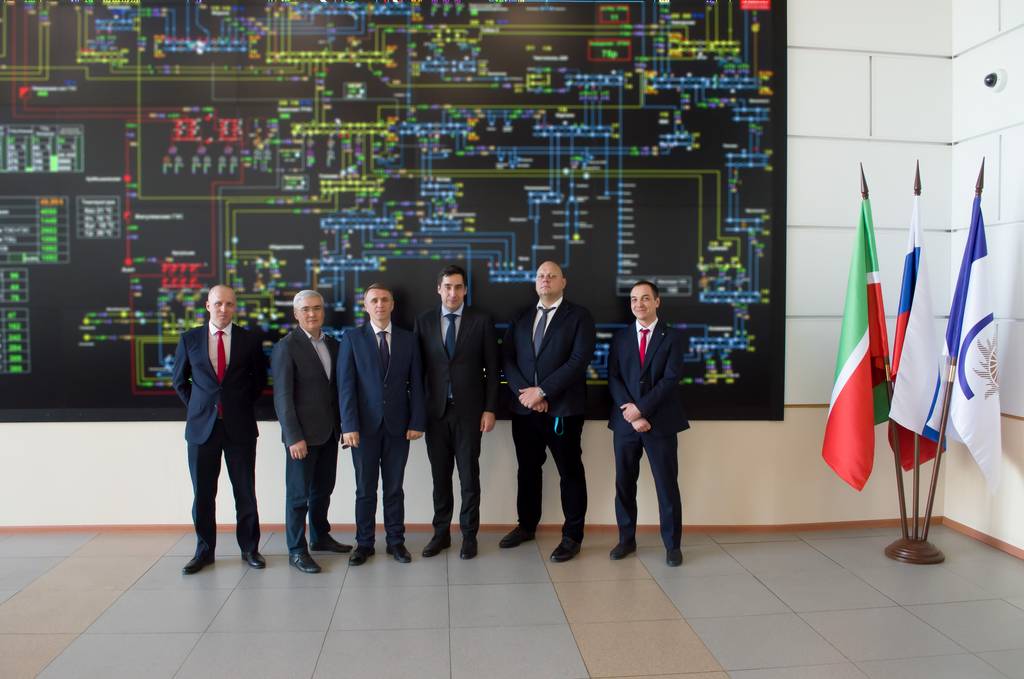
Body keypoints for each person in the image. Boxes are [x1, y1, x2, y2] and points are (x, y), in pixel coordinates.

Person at [500, 261, 596, 562]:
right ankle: (527, 526)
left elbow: (578, 361)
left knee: (570, 472)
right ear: (535, 282)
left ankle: (572, 536)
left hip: (563, 411)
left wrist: (542, 392)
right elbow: (507, 359)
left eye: (552, 276)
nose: (546, 280)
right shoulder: (520, 315)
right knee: (527, 470)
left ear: (563, 282)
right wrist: (527, 395)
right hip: (524, 411)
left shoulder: (579, 316)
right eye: (541, 276)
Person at [172, 284, 267, 575]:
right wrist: (201, 406)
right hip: (202, 430)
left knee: (245, 492)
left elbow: (259, 381)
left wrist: (237, 404)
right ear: (207, 306)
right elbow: (179, 381)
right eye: (218, 304)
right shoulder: (190, 339)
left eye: (229, 304)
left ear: (235, 307)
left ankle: (250, 549)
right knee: (203, 494)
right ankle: (204, 552)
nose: (223, 309)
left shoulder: (249, 339)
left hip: (240, 427)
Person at [414, 265, 499, 560]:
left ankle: (469, 536)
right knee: (440, 478)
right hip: (435, 413)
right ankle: (441, 534)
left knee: (469, 477)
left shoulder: (481, 320)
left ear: (465, 290)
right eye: (448, 286)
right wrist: (417, 414)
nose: (453, 292)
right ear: (439, 289)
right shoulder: (423, 321)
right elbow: (417, 371)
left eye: (458, 287)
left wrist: (490, 408)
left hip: (470, 414)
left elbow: (493, 370)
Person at [337, 283, 426, 565]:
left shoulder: (409, 339)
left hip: (399, 427)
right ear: (365, 306)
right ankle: (364, 543)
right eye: (373, 300)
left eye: (384, 300)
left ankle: (395, 542)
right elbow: (345, 386)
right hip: (362, 430)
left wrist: (417, 420)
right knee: (365, 490)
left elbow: (418, 383)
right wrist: (348, 425)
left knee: (394, 488)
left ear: (392, 304)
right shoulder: (352, 338)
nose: (379, 304)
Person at [271, 290, 353, 574]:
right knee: (298, 496)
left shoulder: (333, 344)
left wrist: (344, 427)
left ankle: (320, 536)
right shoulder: (286, 347)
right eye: (305, 309)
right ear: (296, 313)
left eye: (317, 308)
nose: (312, 313)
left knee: (323, 490)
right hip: (302, 438)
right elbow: (282, 397)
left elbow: (338, 390)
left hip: (329, 433)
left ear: (323, 311)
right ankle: (296, 550)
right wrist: (293, 437)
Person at [607, 281, 688, 567]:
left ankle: (672, 545)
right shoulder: (621, 338)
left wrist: (641, 410)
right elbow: (614, 377)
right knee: (624, 484)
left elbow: (670, 379)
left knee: (666, 486)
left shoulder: (673, 337)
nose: (638, 304)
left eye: (644, 298)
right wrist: (632, 413)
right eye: (633, 299)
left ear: (657, 302)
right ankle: (626, 540)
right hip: (625, 424)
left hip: (660, 423)